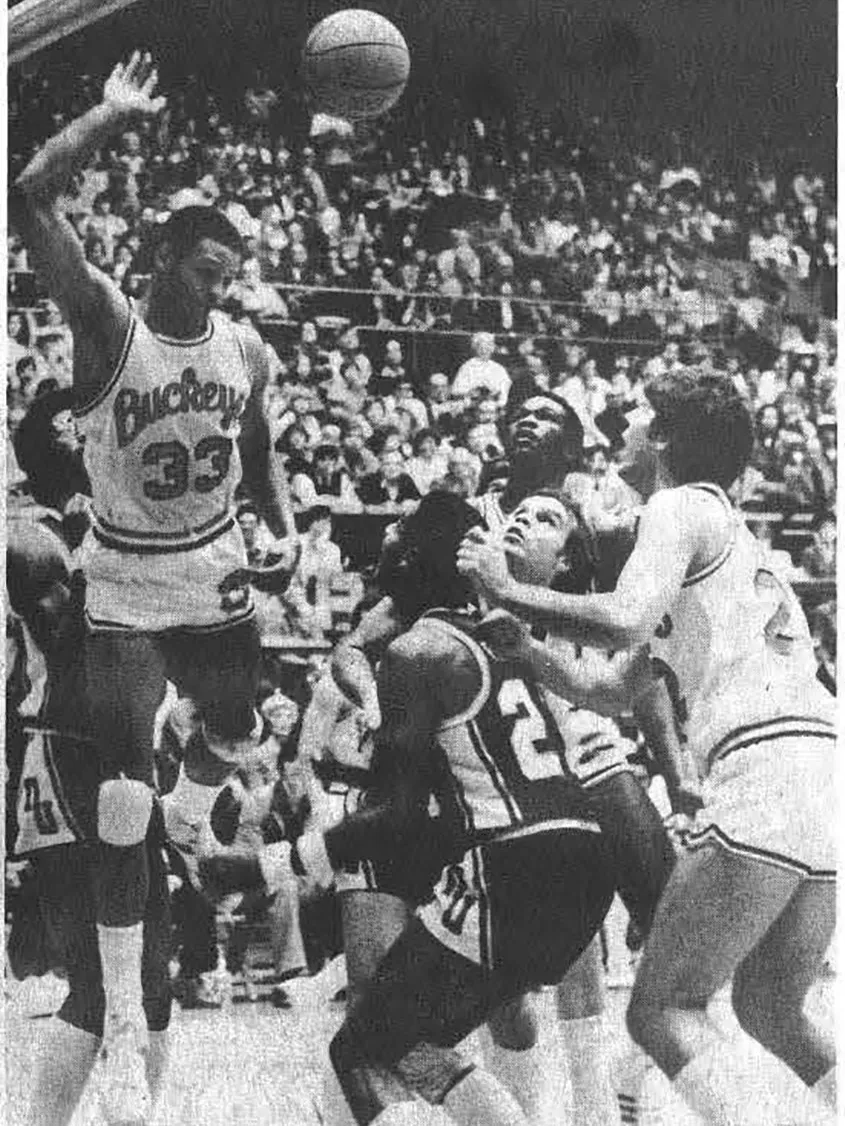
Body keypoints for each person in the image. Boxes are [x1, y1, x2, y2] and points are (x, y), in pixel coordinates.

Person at [13, 51, 293, 1125]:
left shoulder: (245, 349)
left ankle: (187, 810)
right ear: (164, 255)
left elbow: (257, 445)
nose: (220, 284)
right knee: (122, 791)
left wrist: (282, 522)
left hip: (213, 562)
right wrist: (107, 117)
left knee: (239, 729)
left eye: (230, 271)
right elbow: (26, 197)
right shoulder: (106, 324)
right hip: (127, 571)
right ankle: (126, 1026)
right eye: (205, 266)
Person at [457, 369, 837, 1126]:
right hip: (822, 767)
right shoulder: (723, 540)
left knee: (660, 1011)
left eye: (633, 415)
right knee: (771, 1007)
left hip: (765, 761)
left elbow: (625, 618)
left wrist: (507, 588)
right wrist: (529, 652)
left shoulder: (677, 505)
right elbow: (611, 688)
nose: (620, 428)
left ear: (663, 435)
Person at [6, 523, 172, 1126]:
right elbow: (55, 621)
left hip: (107, 760)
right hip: (66, 761)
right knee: (96, 985)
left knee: (153, 984)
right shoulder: (32, 547)